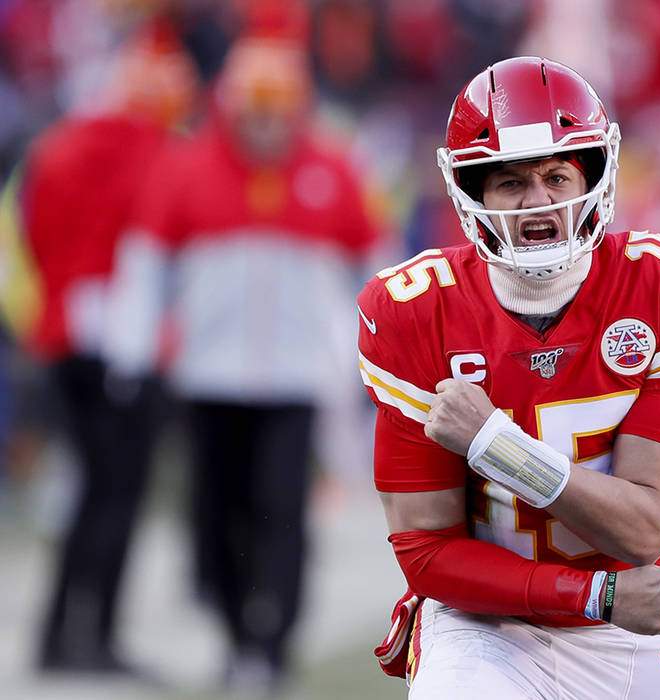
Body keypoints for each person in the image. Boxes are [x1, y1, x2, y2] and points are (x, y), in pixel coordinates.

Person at [358, 57, 660, 699]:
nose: (539, 203)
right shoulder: (414, 309)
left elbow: (646, 529)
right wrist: (595, 594)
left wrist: (494, 446)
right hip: (486, 627)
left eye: (557, 175)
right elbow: (425, 553)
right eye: (510, 183)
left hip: (638, 619)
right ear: (471, 192)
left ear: (596, 175)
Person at [104, 4, 379, 691]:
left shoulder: (334, 169)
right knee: (215, 514)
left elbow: (374, 271)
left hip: (294, 378)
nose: (264, 126)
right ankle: (235, 633)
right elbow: (145, 269)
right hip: (209, 375)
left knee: (284, 509)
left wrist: (367, 358)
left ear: (296, 110)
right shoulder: (188, 169)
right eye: (253, 111)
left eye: (276, 111)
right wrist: (130, 353)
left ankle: (274, 640)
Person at [19, 20, 197, 675]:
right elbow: (156, 256)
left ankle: (57, 634)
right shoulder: (155, 152)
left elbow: (32, 232)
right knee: (115, 496)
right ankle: (91, 638)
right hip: (122, 341)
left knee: (90, 493)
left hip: (62, 331)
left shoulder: (57, 145)